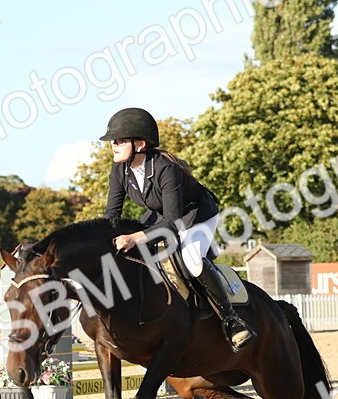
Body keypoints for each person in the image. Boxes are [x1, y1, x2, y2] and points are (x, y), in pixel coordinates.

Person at [101, 107, 255, 352]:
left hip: (196, 215)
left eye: (119, 140)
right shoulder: (120, 169)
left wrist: (134, 237)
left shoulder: (166, 169)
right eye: (113, 141)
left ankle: (232, 319)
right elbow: (111, 215)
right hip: (162, 214)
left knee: (192, 260)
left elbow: (173, 224)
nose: (114, 145)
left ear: (140, 144)